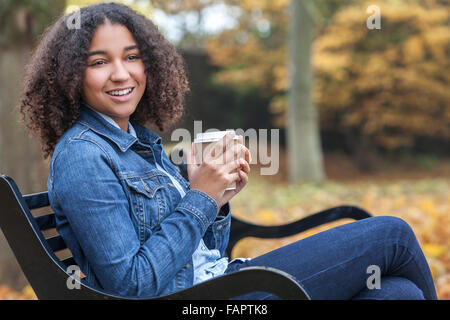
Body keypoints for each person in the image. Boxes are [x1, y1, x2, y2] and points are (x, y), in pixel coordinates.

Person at [18, 3, 437, 300]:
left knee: (396, 292)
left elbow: (202, 254)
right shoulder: (82, 156)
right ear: (71, 75)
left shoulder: (140, 143)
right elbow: (132, 285)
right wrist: (199, 196)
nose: (122, 73)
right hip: (212, 299)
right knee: (392, 235)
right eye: (99, 62)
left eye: (132, 57)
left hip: (221, 285)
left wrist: (217, 201)